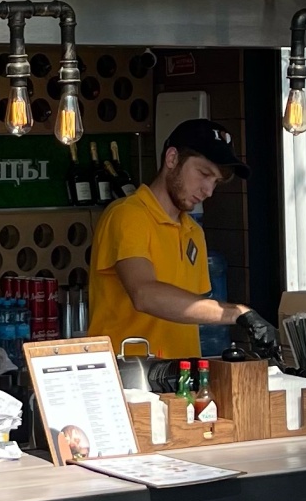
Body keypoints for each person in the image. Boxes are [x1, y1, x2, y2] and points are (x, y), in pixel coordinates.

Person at [88, 118, 250, 360]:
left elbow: (190, 310)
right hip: (128, 373)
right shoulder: (128, 214)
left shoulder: (194, 231)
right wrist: (237, 313)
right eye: (204, 174)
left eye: (215, 181)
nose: (208, 191)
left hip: (182, 375)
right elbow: (144, 294)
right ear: (172, 159)